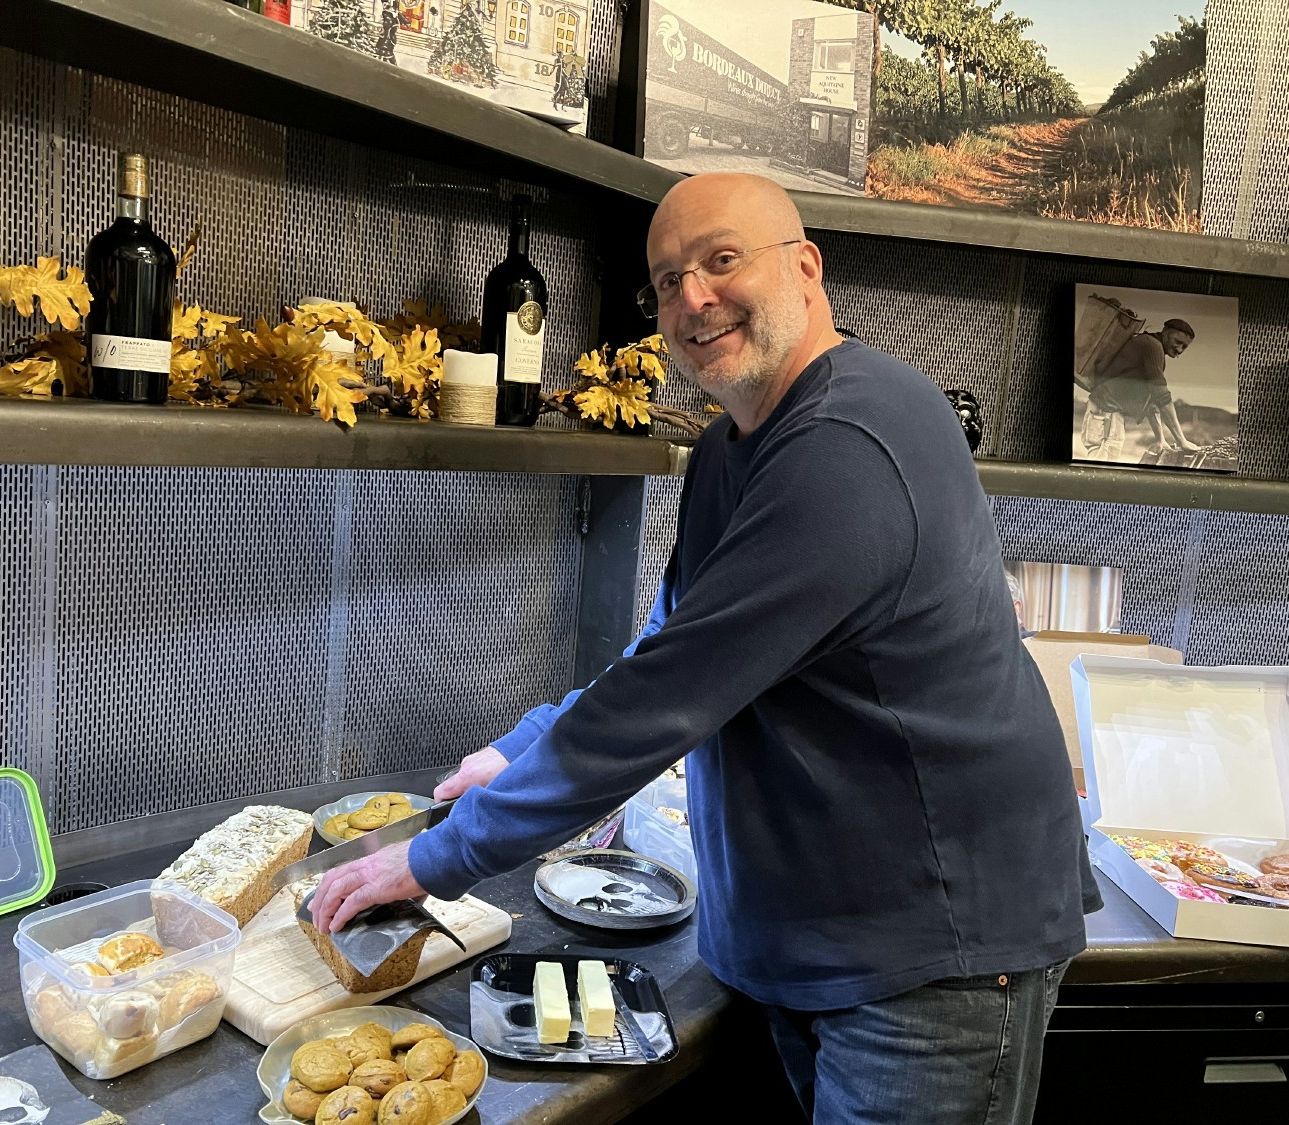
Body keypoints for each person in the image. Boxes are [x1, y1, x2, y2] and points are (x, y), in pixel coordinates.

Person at [309, 173, 1100, 1124]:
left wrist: (437, 858)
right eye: (668, 280)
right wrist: (515, 751)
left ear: (805, 268)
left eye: (722, 260)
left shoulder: (851, 440)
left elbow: (669, 698)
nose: (692, 298)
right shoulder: (735, 446)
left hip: (932, 954)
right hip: (820, 938)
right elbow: (668, 643)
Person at [1079, 318, 1200, 463]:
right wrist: (1182, 441)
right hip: (1107, 414)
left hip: (1104, 412)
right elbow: (1162, 396)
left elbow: (1152, 402)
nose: (1179, 349)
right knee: (1102, 467)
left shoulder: (1151, 345)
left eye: (1184, 347)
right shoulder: (1152, 347)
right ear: (1166, 332)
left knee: (1098, 463)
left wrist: (1160, 439)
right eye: (1177, 342)